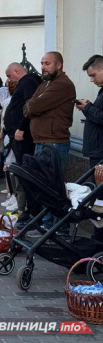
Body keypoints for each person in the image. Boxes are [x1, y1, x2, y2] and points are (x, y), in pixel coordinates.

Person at [23, 51, 76, 234]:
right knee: (42, 185)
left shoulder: (63, 85)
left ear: (59, 65)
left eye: (48, 63)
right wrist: (32, 106)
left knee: (53, 187)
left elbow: (33, 106)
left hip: (54, 143)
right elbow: (28, 105)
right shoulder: (46, 84)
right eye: (42, 63)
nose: (43, 67)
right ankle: (47, 224)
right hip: (42, 141)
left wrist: (32, 106)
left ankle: (59, 228)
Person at [1, 63, 41, 222]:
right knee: (22, 172)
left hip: (22, 136)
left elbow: (29, 107)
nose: (9, 79)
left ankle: (33, 209)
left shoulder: (28, 82)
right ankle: (30, 208)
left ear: (17, 71)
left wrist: (21, 128)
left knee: (26, 173)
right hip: (16, 135)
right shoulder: (25, 83)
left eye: (10, 76)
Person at [76, 55, 103, 241]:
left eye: (93, 75)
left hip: (100, 152)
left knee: (99, 197)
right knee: (97, 196)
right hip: (97, 150)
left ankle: (98, 238)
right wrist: (90, 107)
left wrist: (87, 108)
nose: (92, 80)